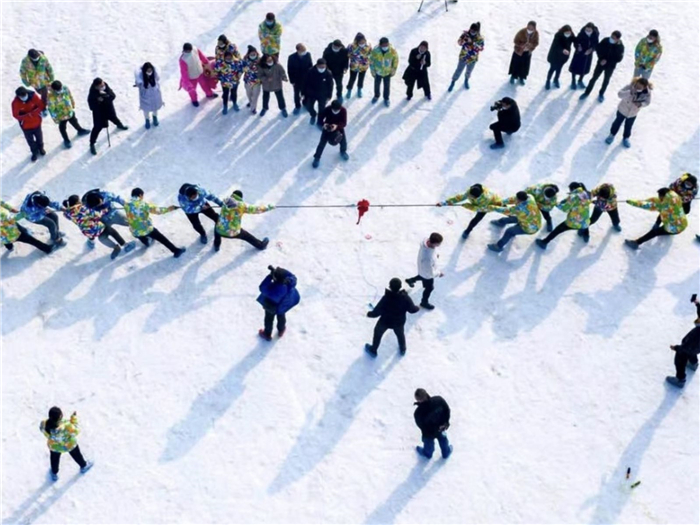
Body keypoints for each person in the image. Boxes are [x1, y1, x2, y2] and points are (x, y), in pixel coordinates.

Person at [62, 195, 134, 258]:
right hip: (96, 227)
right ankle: (126, 245)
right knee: (111, 231)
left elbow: (66, 215)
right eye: (79, 201)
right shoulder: (82, 209)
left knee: (101, 237)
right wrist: (104, 211)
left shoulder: (69, 214)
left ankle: (114, 247)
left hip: (87, 232)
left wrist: (66, 210)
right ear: (77, 203)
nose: (81, 202)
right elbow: (97, 214)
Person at [364, 278, 419, 357]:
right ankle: (403, 349)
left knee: (377, 334)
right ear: (400, 287)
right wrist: (418, 307)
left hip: (385, 322)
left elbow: (376, 313)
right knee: (400, 335)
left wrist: (369, 314)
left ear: (390, 286)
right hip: (399, 322)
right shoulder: (405, 298)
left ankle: (373, 350)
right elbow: (412, 310)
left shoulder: (386, 298)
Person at [124, 188, 185, 258]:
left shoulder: (126, 204)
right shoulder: (144, 205)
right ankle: (176, 251)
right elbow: (158, 211)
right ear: (140, 195)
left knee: (141, 236)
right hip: (146, 228)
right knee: (162, 238)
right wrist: (169, 209)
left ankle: (147, 242)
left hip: (134, 231)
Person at [40, 407, 93, 482]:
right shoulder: (67, 425)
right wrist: (73, 419)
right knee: (76, 455)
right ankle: (83, 465)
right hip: (69, 445)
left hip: (54, 446)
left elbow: (43, 430)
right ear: (60, 416)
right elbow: (76, 431)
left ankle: (54, 473)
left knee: (54, 459)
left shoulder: (44, 424)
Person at [536, 182, 591, 249]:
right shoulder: (586, 193)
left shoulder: (573, 197)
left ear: (573, 189)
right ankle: (586, 235)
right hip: (585, 220)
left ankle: (544, 242)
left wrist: (556, 203)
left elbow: (565, 209)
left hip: (574, 221)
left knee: (558, 230)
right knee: (584, 224)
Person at [604, 77, 651, 148]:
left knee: (628, 126)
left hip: (633, 113)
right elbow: (619, 94)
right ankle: (612, 135)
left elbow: (647, 102)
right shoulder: (629, 87)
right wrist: (629, 92)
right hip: (622, 109)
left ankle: (626, 138)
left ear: (644, 87)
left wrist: (641, 104)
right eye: (637, 85)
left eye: (640, 87)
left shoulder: (647, 93)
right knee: (617, 123)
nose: (637, 87)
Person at [257, 265, 300, 341]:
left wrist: (269, 276)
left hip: (271, 306)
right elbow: (293, 277)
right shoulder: (289, 284)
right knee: (281, 317)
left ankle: (267, 334)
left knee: (268, 319)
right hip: (283, 306)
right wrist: (283, 274)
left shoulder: (271, 289)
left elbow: (262, 287)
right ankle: (281, 329)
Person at [87, 78, 128, 155]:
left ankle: (120, 125)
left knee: (114, 118)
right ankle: (92, 143)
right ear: (96, 87)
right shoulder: (92, 94)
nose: (103, 86)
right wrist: (98, 101)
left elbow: (113, 96)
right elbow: (91, 107)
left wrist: (105, 98)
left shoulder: (105, 86)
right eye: (100, 86)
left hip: (109, 109)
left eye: (103, 84)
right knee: (97, 127)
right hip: (99, 113)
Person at [580, 31, 624, 102]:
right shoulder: (605, 40)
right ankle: (587, 92)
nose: (611, 39)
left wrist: (608, 61)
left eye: (614, 38)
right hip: (600, 64)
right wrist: (601, 59)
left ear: (618, 39)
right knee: (594, 78)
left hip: (610, 67)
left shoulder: (620, 47)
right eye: (611, 36)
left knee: (606, 80)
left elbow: (619, 58)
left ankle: (601, 94)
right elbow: (598, 49)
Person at [405, 232, 443, 310]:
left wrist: (435, 255)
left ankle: (410, 280)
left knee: (421, 275)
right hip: (426, 273)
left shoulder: (426, 243)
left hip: (422, 268)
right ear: (434, 243)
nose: (439, 245)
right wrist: (439, 273)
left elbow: (432, 253)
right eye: (439, 244)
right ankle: (424, 302)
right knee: (429, 288)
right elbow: (429, 273)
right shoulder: (428, 258)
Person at [666, 301, 700, 388]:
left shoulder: (696, 335)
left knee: (680, 358)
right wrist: (697, 304)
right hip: (696, 347)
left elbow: (686, 348)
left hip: (692, 346)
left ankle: (680, 379)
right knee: (693, 351)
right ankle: (693, 363)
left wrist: (677, 348)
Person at [47, 80, 89, 149]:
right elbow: (51, 109)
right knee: (62, 128)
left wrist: (72, 103)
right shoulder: (51, 97)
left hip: (69, 111)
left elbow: (70, 95)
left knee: (74, 121)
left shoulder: (65, 88)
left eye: (60, 88)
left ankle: (80, 130)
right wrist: (55, 119)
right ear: (54, 90)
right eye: (58, 89)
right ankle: (66, 140)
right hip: (61, 115)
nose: (60, 90)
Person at [413, 389, 453, 460]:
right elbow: (447, 410)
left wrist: (432, 430)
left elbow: (422, 426)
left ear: (418, 400)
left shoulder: (418, 413)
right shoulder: (438, 400)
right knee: (443, 441)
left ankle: (427, 454)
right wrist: (446, 422)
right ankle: (446, 452)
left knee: (429, 447)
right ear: (426, 394)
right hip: (441, 428)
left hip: (428, 434)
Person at [178, 43, 217, 107]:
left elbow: (201, 56)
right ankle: (194, 100)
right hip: (192, 77)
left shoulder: (195, 49)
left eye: (190, 50)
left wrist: (206, 62)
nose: (189, 52)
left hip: (200, 72)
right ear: (184, 50)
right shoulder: (183, 60)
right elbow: (184, 73)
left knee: (205, 84)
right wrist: (187, 83)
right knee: (192, 90)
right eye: (187, 51)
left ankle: (209, 94)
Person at [11, 86, 45, 162]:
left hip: (37, 123)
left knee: (39, 137)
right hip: (26, 126)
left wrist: (34, 113)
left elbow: (41, 105)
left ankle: (41, 148)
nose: (23, 97)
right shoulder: (15, 103)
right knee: (30, 141)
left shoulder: (33, 96)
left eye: (24, 95)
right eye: (21, 97)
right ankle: (34, 152)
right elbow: (16, 115)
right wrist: (27, 116)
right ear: (18, 96)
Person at [313, 99, 349, 168]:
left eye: (337, 110)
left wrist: (337, 126)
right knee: (322, 143)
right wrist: (324, 124)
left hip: (338, 127)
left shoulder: (343, 110)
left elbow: (344, 123)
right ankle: (317, 158)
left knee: (343, 141)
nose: (336, 111)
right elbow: (320, 119)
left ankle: (343, 151)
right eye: (334, 110)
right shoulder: (327, 109)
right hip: (327, 128)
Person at [448, 22, 484, 91]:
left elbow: (481, 48)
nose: (472, 32)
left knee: (469, 71)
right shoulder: (465, 35)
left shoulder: (480, 38)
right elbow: (459, 43)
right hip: (463, 57)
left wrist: (472, 43)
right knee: (458, 70)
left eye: (474, 31)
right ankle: (453, 81)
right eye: (471, 30)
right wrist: (463, 41)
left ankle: (466, 79)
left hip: (472, 58)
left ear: (477, 31)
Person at [369, 37, 399, 106]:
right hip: (378, 72)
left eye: (387, 45)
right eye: (384, 45)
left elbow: (396, 60)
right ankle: (376, 96)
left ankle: (386, 98)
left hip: (387, 72)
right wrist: (372, 70)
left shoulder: (392, 50)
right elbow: (371, 60)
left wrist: (394, 69)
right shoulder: (375, 51)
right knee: (376, 85)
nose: (385, 46)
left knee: (387, 86)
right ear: (380, 45)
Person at [304, 58, 334, 126]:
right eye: (320, 67)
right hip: (312, 94)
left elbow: (330, 85)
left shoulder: (328, 73)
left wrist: (329, 96)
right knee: (309, 106)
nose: (322, 68)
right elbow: (306, 83)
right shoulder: (310, 71)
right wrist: (304, 93)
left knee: (322, 109)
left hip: (322, 95)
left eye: (323, 67)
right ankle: (313, 115)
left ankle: (320, 121)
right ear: (317, 65)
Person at [569, 22, 599, 89]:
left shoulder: (595, 35)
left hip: (588, 55)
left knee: (584, 68)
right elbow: (576, 42)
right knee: (575, 68)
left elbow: (596, 44)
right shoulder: (581, 33)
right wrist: (578, 47)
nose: (587, 31)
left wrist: (591, 49)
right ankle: (573, 81)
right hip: (579, 54)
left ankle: (580, 80)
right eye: (587, 30)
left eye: (589, 30)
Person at [545, 25, 575, 90]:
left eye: (569, 33)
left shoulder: (571, 35)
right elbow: (556, 45)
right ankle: (548, 80)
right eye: (566, 33)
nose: (568, 34)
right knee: (552, 69)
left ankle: (556, 79)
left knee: (559, 69)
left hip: (563, 57)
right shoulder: (558, 36)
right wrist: (562, 50)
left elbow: (575, 41)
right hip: (555, 56)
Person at [135, 62, 164, 129]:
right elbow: (138, 84)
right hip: (146, 97)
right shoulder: (141, 79)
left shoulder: (155, 76)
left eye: (150, 70)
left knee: (155, 109)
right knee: (146, 110)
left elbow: (157, 82)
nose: (149, 72)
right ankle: (147, 120)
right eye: (148, 71)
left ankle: (155, 117)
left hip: (155, 96)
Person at [215, 50, 244, 114]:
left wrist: (238, 76)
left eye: (230, 57)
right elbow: (216, 71)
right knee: (225, 94)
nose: (228, 58)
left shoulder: (236, 62)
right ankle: (225, 106)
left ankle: (235, 104)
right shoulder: (220, 63)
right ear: (224, 57)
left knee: (234, 93)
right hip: (225, 82)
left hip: (234, 81)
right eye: (227, 57)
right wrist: (219, 77)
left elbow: (241, 69)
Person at [287, 43, 313, 114]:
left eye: (305, 50)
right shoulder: (291, 58)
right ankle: (297, 106)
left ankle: (306, 103)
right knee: (296, 94)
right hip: (296, 79)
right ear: (298, 50)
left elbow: (310, 66)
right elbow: (290, 70)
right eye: (302, 50)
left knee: (306, 92)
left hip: (306, 78)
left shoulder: (308, 55)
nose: (304, 51)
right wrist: (292, 81)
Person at [346, 33, 371, 98]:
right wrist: (352, 57)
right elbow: (347, 54)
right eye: (360, 42)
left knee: (361, 78)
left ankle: (359, 89)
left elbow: (371, 54)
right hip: (354, 66)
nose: (362, 43)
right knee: (352, 79)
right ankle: (349, 90)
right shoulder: (351, 46)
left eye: (363, 41)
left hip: (363, 66)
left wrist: (367, 59)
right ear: (357, 41)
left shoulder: (368, 46)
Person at [242, 46, 262, 114]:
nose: (253, 55)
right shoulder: (245, 59)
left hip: (257, 82)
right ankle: (251, 102)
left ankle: (253, 108)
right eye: (251, 54)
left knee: (255, 96)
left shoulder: (260, 60)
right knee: (249, 94)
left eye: (254, 54)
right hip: (248, 81)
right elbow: (241, 68)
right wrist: (247, 68)